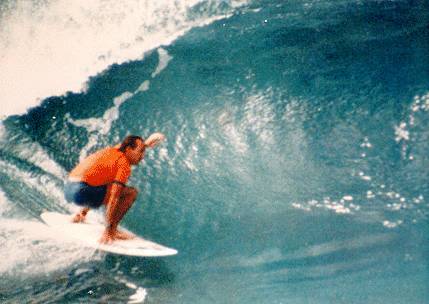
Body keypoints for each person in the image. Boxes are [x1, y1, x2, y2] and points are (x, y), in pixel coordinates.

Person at [64, 133, 165, 244]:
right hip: (82, 192)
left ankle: (81, 215)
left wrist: (145, 144)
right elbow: (114, 198)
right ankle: (112, 231)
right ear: (128, 149)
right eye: (140, 152)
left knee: (104, 180)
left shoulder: (114, 150)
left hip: (70, 187)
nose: (142, 156)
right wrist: (107, 229)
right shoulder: (123, 165)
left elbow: (127, 147)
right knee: (130, 193)